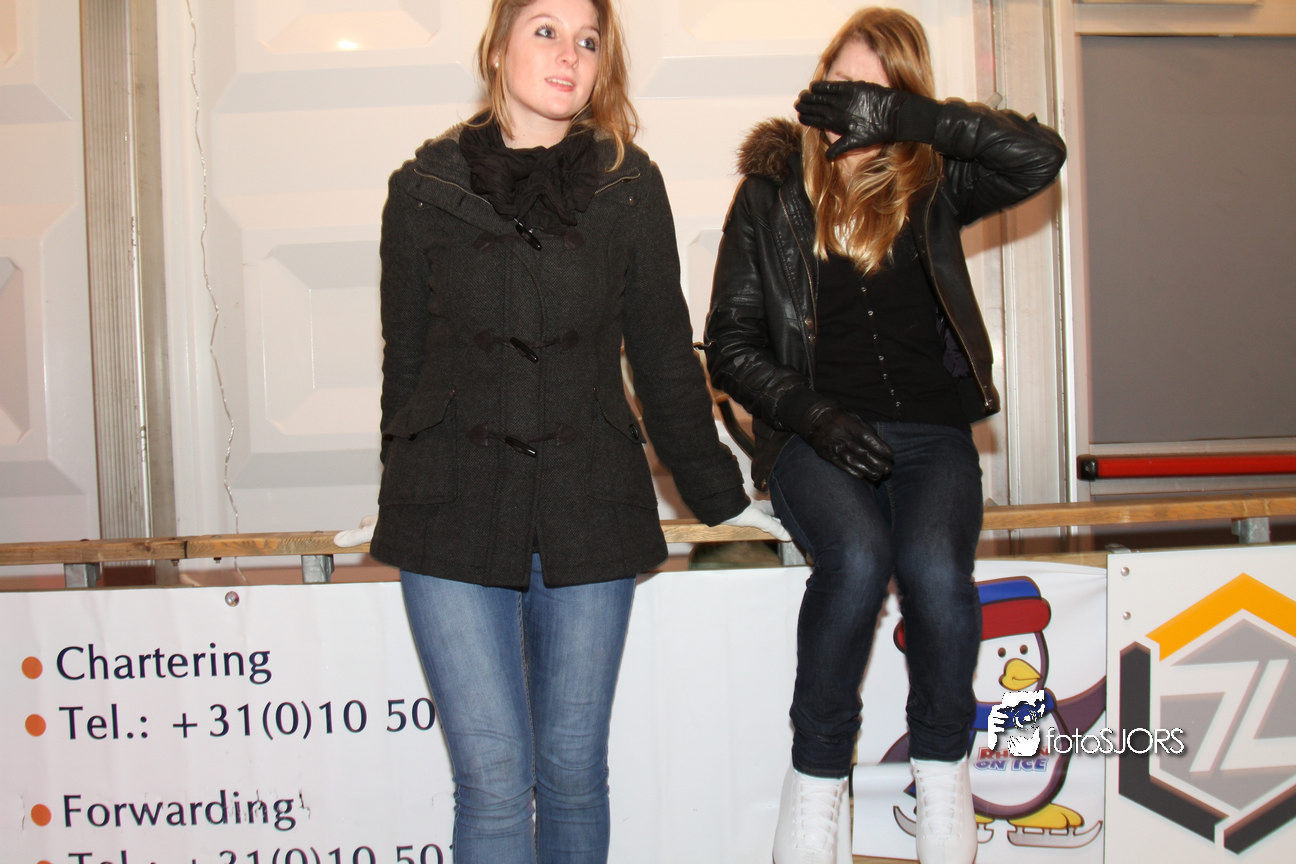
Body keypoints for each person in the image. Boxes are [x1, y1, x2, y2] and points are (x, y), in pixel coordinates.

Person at [336, 0, 788, 862]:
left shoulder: (629, 184)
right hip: (451, 508)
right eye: (545, 29)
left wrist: (723, 499)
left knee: (574, 771)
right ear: (496, 45)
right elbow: (408, 362)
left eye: (587, 40)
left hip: (591, 504)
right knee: (494, 780)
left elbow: (664, 357)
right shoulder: (422, 188)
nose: (569, 54)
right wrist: (401, 489)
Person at [704, 7, 1065, 864]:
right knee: (859, 558)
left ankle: (942, 772)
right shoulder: (771, 192)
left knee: (937, 571)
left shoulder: (934, 181)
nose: (851, 103)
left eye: (875, 90)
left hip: (932, 433)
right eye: (841, 81)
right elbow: (730, 340)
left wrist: (912, 122)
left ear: (899, 99)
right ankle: (817, 780)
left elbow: (1038, 156)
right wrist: (815, 416)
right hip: (816, 435)